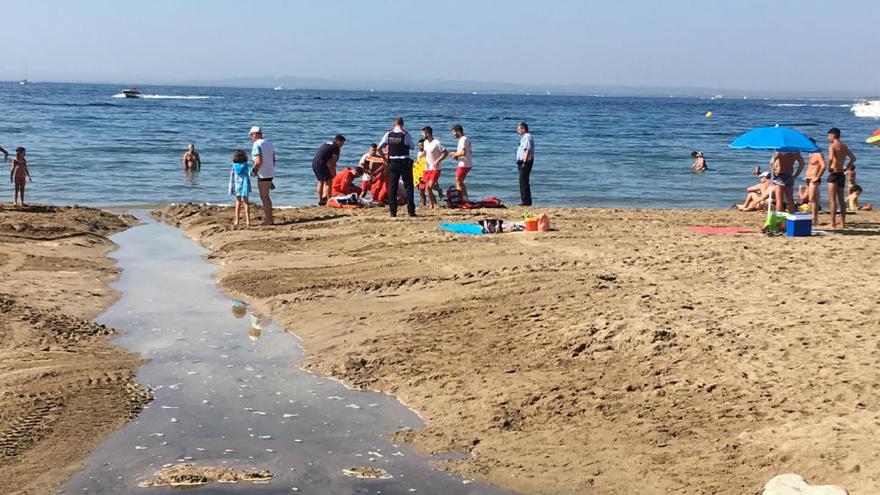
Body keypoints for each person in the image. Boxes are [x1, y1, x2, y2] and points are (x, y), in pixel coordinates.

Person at [377, 117, 416, 217]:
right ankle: (411, 211)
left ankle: (393, 211)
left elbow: (379, 148)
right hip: (404, 161)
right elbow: (412, 146)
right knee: (408, 186)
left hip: (393, 161)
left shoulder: (389, 134)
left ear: (394, 123)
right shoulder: (405, 134)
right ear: (403, 124)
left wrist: (384, 158)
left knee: (393, 186)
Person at [826, 127, 857, 229]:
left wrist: (828, 168)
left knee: (832, 200)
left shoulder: (832, 146)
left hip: (834, 173)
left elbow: (831, 158)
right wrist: (847, 167)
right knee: (841, 200)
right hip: (841, 174)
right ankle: (843, 223)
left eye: (829, 135)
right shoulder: (844, 146)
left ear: (833, 135)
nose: (828, 137)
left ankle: (833, 223)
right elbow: (853, 158)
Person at [249, 126, 276, 226]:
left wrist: (253, 171)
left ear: (255, 134)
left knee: (264, 197)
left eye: (251, 135)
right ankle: (269, 218)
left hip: (263, 174)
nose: (251, 137)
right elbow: (273, 160)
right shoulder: (269, 144)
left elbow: (258, 161)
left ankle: (269, 219)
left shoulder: (256, 145)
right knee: (266, 196)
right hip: (270, 172)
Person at [313, 135, 346, 205]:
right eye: (342, 143)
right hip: (322, 164)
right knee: (329, 182)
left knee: (321, 181)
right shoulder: (336, 147)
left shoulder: (328, 143)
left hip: (315, 163)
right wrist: (334, 175)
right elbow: (333, 163)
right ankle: (329, 200)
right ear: (338, 141)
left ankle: (321, 200)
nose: (342, 145)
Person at [421, 127, 448, 208]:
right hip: (427, 168)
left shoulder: (437, 143)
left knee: (429, 186)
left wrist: (438, 160)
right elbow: (425, 153)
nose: (422, 135)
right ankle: (432, 204)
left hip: (436, 168)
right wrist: (421, 157)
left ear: (428, 133)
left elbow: (445, 153)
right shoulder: (425, 142)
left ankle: (437, 194)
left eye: (423, 133)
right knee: (427, 188)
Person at [804, 138, 827, 225]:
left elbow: (823, 166)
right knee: (813, 199)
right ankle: (814, 218)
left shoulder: (818, 153)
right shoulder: (810, 153)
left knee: (812, 199)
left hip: (814, 178)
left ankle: (814, 219)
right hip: (808, 178)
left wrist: (817, 177)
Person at [228, 149, 251, 228]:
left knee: (238, 202)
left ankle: (237, 220)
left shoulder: (234, 165)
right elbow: (251, 172)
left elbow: (232, 176)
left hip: (237, 185)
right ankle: (248, 221)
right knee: (246, 203)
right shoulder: (246, 165)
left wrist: (231, 186)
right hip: (245, 185)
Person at [450, 124, 473, 204]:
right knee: (460, 182)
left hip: (464, 164)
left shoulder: (463, 139)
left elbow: (463, 153)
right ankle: (465, 198)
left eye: (453, 132)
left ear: (458, 131)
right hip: (466, 163)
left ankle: (460, 199)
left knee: (458, 182)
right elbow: (464, 153)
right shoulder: (464, 139)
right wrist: (456, 154)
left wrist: (455, 154)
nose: (453, 134)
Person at [516, 122, 534, 206]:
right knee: (523, 181)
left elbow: (527, 150)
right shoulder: (524, 137)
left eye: (518, 129)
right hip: (522, 161)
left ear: (523, 129)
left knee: (523, 181)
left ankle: (526, 201)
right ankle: (526, 200)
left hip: (525, 162)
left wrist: (524, 162)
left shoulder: (527, 137)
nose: (517, 131)